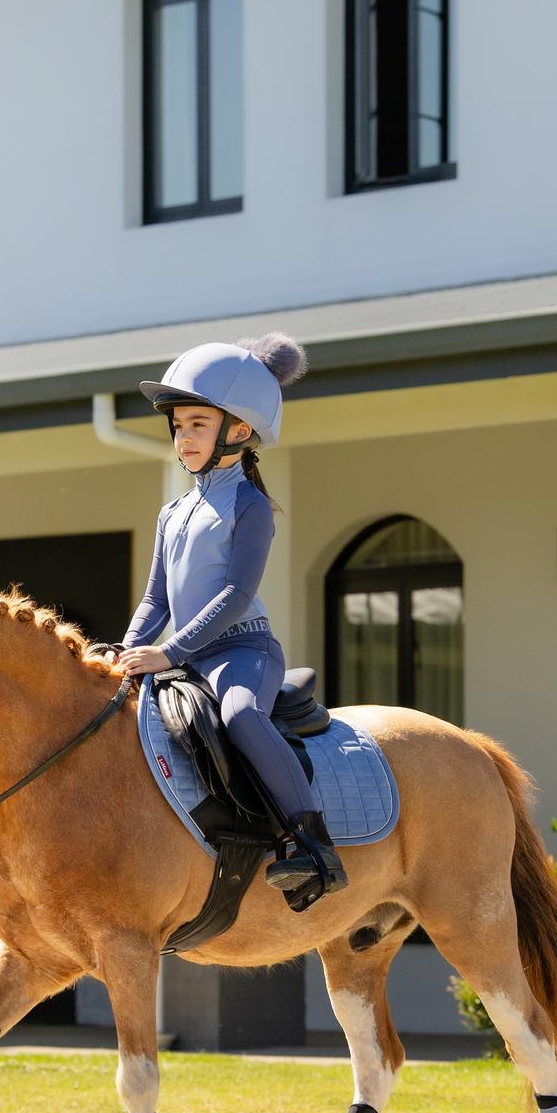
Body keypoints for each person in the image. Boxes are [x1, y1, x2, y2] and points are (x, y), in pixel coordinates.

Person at [117, 334, 347, 905]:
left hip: (243, 652)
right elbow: (155, 600)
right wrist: (125, 650)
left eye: (198, 424)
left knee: (241, 714)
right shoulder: (172, 512)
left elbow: (236, 595)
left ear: (240, 430)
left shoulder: (250, 506)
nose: (183, 437)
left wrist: (168, 653)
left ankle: (311, 843)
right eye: (178, 425)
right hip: (189, 658)